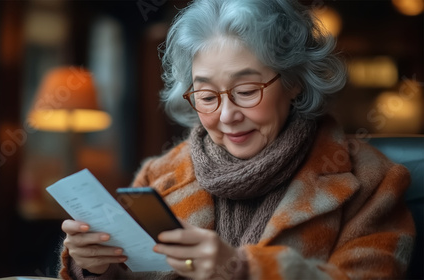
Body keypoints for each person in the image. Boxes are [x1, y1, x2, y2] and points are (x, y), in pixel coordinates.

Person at [59, 0, 416, 279]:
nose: (227, 115)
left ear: (294, 82)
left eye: (246, 91)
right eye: (208, 96)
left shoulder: (374, 182)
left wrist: (241, 270)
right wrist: (94, 268)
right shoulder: (159, 176)